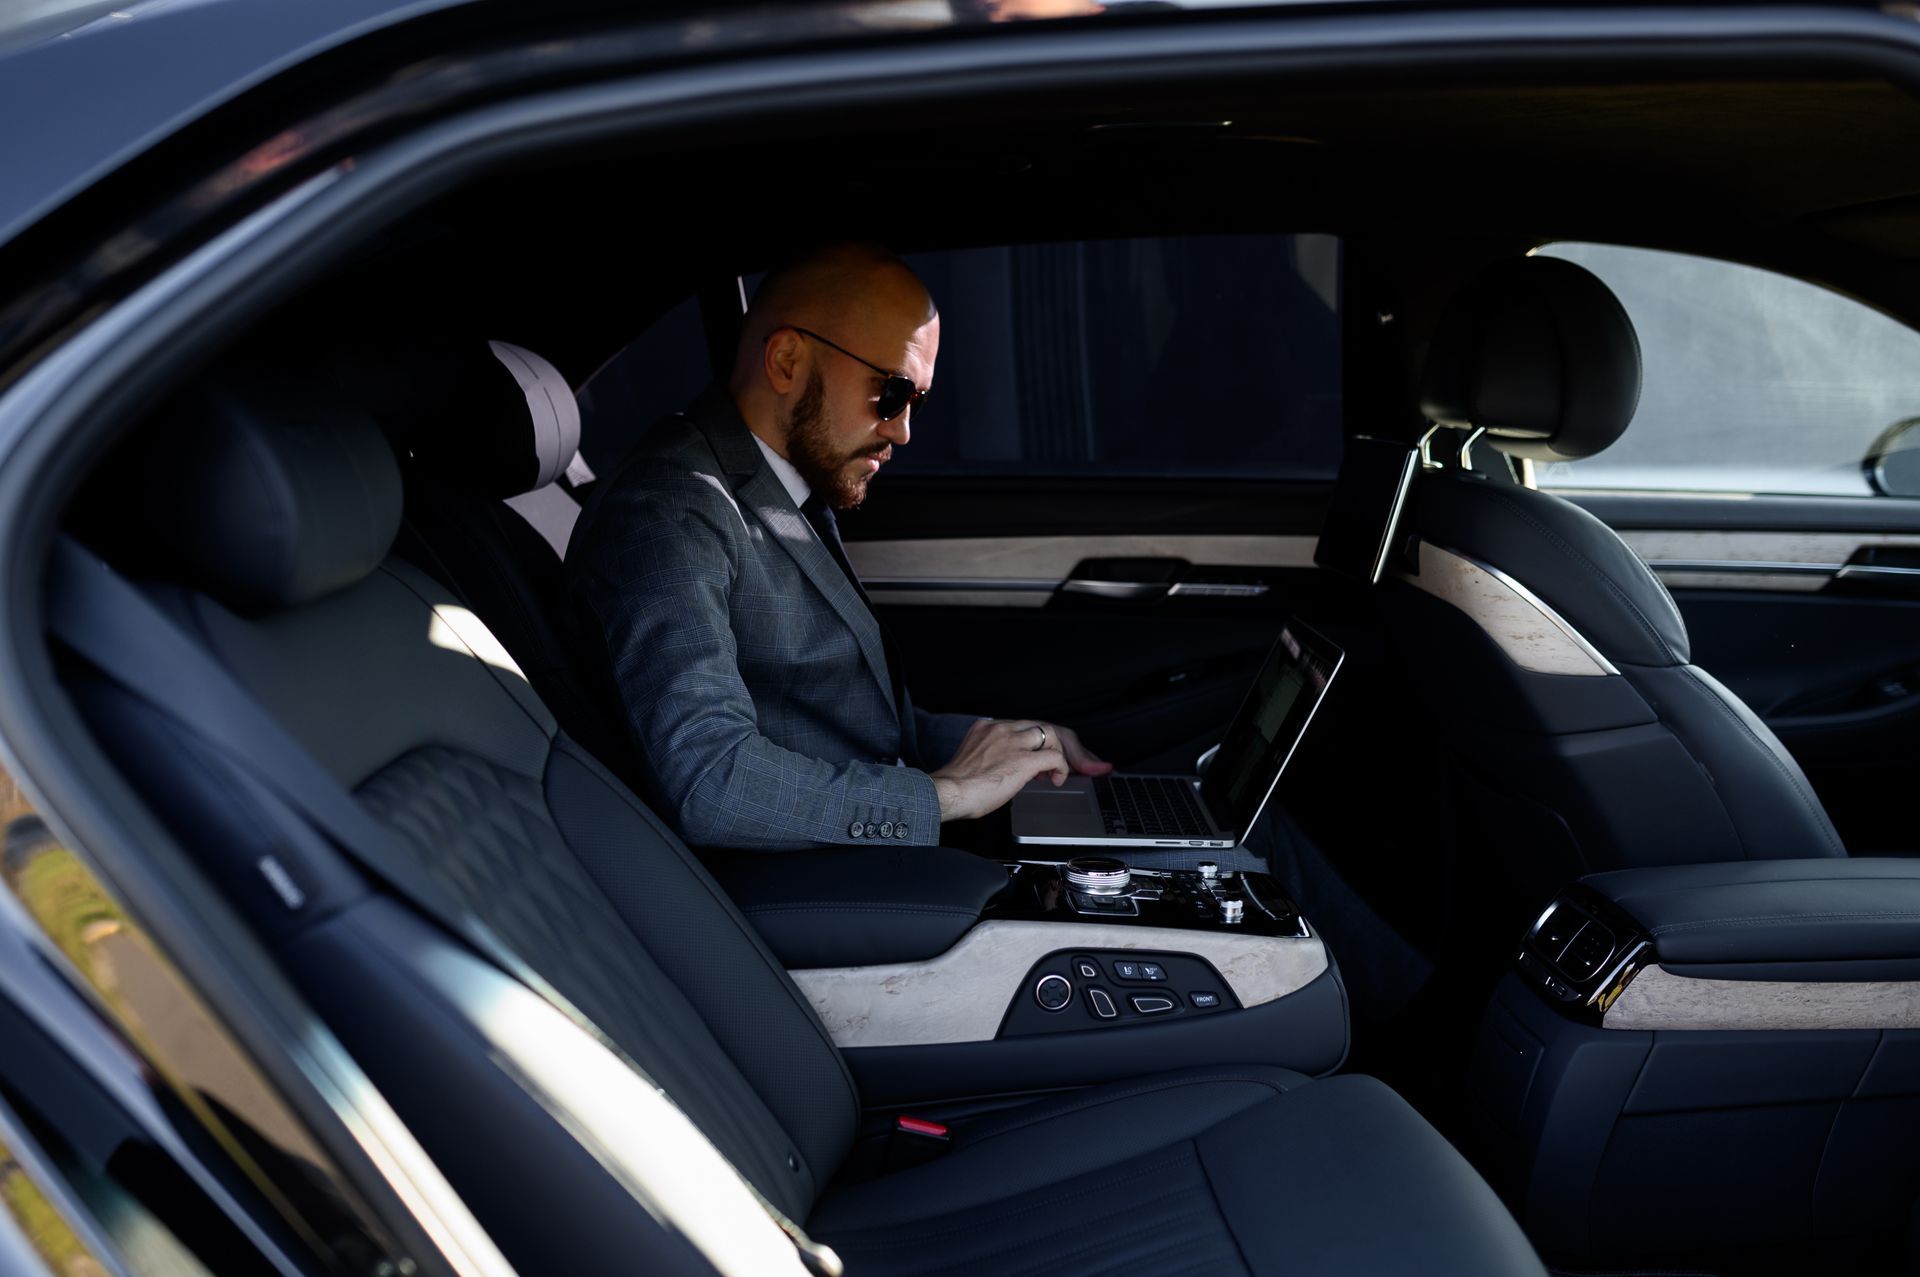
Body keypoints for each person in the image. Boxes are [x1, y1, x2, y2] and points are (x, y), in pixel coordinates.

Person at [569, 243, 1111, 850]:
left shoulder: (780, 480)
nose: (902, 429)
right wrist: (948, 795)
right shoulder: (669, 511)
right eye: (893, 392)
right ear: (787, 361)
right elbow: (712, 784)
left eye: (917, 401)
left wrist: (992, 746)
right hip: (781, 894)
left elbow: (836, 718)